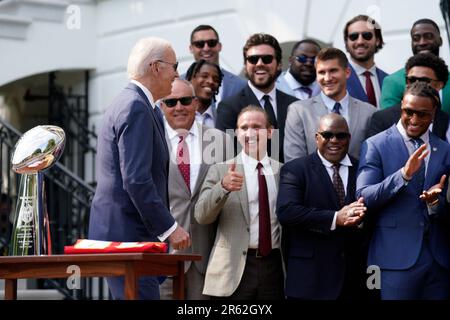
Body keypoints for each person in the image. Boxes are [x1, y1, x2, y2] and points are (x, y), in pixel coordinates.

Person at [88, 37, 191, 300]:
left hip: (132, 237)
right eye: (174, 65)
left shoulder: (146, 107)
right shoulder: (135, 106)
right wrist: (170, 228)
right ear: (156, 67)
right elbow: (136, 179)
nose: (177, 74)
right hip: (128, 238)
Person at [357, 81, 450, 300]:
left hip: (438, 259)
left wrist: (435, 203)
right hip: (394, 259)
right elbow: (364, 197)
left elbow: (445, 206)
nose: (415, 120)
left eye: (423, 114)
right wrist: (404, 175)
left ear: (434, 114)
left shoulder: (445, 149)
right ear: (401, 107)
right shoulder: (375, 145)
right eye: (409, 112)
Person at [195, 107, 284, 299]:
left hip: (274, 267)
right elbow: (201, 215)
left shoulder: (284, 172)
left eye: (256, 127)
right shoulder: (221, 170)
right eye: (244, 127)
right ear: (236, 133)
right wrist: (223, 187)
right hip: (233, 268)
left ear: (270, 132)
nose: (250, 133)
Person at [277, 113, 367, 299]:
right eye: (327, 135)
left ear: (349, 138)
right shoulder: (296, 169)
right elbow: (287, 212)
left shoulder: (363, 169)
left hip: (353, 280)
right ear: (317, 138)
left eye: (340, 136)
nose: (334, 140)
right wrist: (335, 218)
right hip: (310, 280)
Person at [158, 79, 230, 299]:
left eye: (185, 100)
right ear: (162, 107)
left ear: (196, 103)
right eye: (171, 102)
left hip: (207, 255)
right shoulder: (153, 140)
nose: (179, 107)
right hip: (164, 255)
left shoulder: (221, 140)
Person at [216, 33, 298, 162]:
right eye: (253, 59)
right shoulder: (228, 108)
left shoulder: (295, 106)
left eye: (267, 59)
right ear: (245, 65)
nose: (259, 63)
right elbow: (228, 158)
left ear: (279, 64)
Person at [284, 47, 375, 162]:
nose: (327, 78)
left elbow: (372, 161)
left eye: (333, 71)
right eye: (322, 72)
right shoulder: (299, 111)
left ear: (347, 73)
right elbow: (294, 162)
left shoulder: (369, 112)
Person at [367, 52, 450, 140]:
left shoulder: (445, 120)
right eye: (411, 80)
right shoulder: (382, 119)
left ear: (439, 85)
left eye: (424, 81)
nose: (416, 85)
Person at [380, 18, 450, 114]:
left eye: (428, 36)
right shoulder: (393, 81)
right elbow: (388, 120)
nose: (422, 42)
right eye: (416, 38)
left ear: (440, 40)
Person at [187, 25, 246, 104]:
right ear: (191, 48)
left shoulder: (241, 85)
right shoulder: (177, 84)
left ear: (219, 46)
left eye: (211, 43)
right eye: (199, 44)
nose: (206, 48)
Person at [344, 15, 388, 108]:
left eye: (367, 36)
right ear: (347, 42)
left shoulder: (388, 80)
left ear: (378, 40)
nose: (360, 41)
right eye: (353, 36)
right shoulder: (336, 79)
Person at [185, 59, 223, 128]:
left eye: (216, 79)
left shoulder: (223, 119)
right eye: (204, 76)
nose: (211, 81)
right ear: (190, 79)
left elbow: (230, 137)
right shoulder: (178, 116)